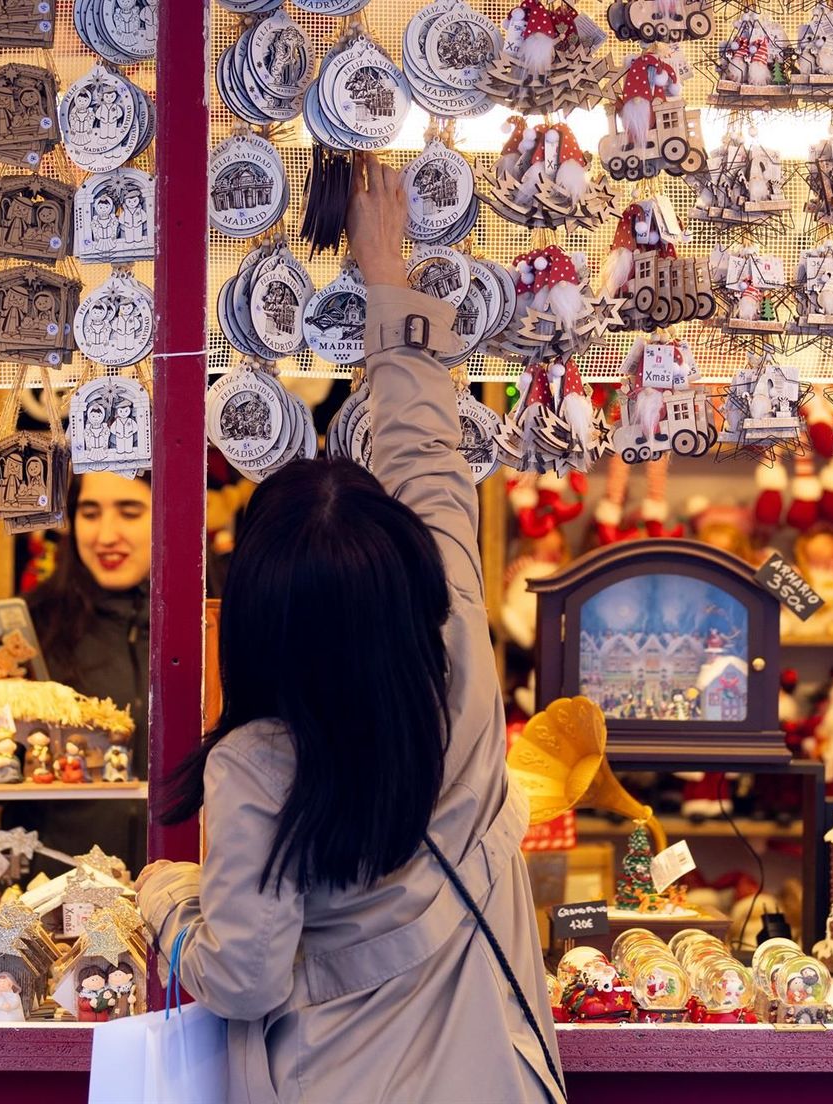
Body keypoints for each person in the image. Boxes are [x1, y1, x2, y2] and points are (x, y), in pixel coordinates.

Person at [136, 153, 562, 1104]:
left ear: (260, 615)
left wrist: (166, 901)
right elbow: (427, 453)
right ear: (402, 568)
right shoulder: (458, 656)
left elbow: (244, 976)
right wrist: (386, 275)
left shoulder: (258, 764)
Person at [0, 471, 150, 865]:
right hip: (52, 885)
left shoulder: (213, 623)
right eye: (90, 513)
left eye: (130, 512)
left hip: (185, 886)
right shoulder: (32, 627)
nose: (106, 535)